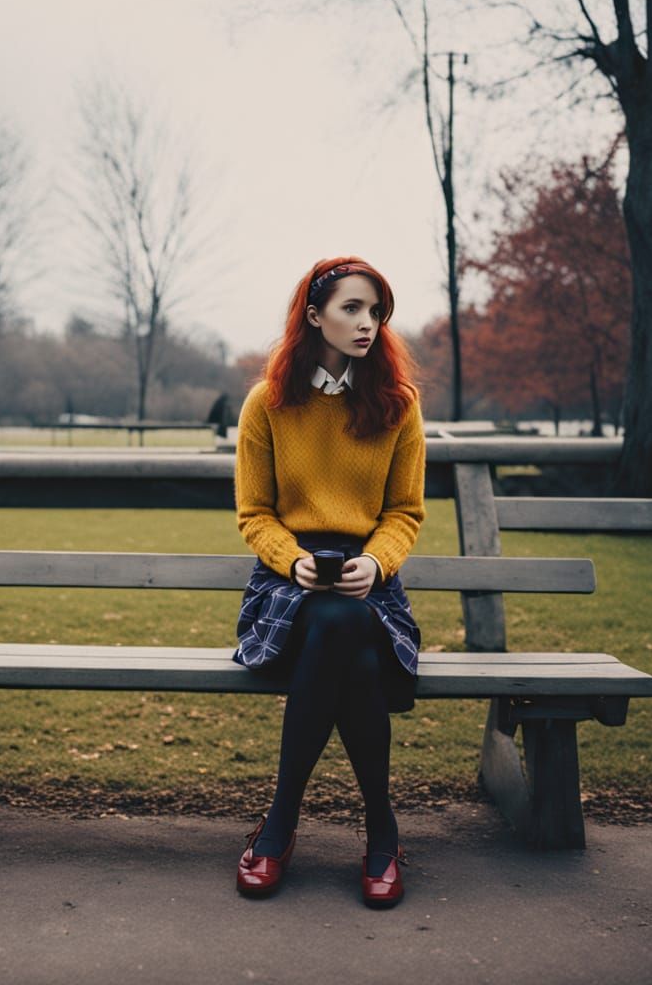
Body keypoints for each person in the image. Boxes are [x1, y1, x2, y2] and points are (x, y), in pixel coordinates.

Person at [232, 256, 426, 908]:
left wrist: (376, 563)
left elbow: (404, 513)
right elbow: (254, 514)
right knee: (346, 641)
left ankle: (279, 825)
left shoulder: (398, 405)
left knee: (344, 624)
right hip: (286, 583)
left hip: (369, 582)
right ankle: (381, 831)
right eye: (352, 308)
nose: (368, 322)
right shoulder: (268, 403)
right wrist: (294, 561)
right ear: (315, 316)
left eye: (376, 311)